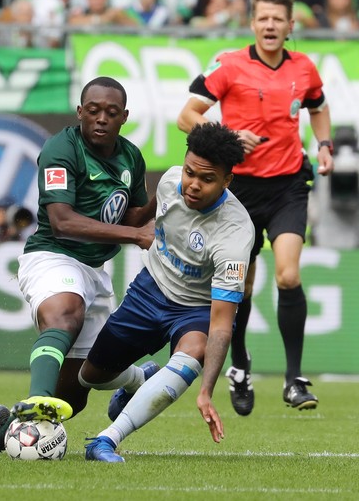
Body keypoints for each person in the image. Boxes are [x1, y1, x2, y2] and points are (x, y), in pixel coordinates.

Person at [0, 76, 156, 453]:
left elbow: (132, 217)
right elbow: (63, 222)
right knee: (65, 313)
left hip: (95, 271)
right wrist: (136, 236)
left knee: (77, 392)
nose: (101, 118)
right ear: (80, 112)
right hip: (52, 255)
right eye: (94, 110)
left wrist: (162, 197)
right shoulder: (61, 149)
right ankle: (38, 403)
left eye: (111, 113)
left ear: (124, 118)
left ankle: (5, 427)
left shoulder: (131, 156)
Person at [177, 0, 334, 415]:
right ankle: (240, 365)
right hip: (238, 193)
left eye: (277, 19)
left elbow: (318, 106)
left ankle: (294, 379)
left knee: (287, 275)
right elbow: (186, 116)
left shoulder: (304, 68)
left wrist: (324, 145)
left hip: (287, 187)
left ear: (290, 26)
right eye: (263, 18)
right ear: (253, 24)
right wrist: (226, 138)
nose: (270, 25)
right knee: (241, 285)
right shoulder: (229, 66)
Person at [81, 122, 254, 463]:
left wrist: (206, 390)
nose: (193, 184)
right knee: (91, 376)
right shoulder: (169, 182)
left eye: (207, 179)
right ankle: (138, 379)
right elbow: (143, 219)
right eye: (190, 172)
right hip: (150, 291)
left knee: (195, 349)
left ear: (226, 181)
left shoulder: (235, 233)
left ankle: (105, 441)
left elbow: (221, 324)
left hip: (197, 309)